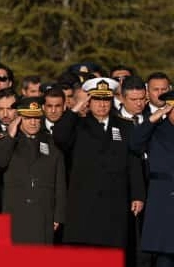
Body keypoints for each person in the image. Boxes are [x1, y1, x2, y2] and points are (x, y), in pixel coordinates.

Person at [52, 77, 146, 249]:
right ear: (89, 101)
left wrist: (138, 195)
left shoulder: (125, 126)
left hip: (114, 203)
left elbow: (133, 162)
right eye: (97, 100)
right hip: (84, 203)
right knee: (84, 255)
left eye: (106, 100)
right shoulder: (77, 125)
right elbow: (58, 136)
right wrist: (76, 108)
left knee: (113, 254)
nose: (102, 105)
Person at [0, 97, 67, 244]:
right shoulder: (7, 142)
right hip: (16, 213)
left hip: (43, 214)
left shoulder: (50, 143)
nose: (33, 122)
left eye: (36, 118)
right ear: (18, 119)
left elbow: (60, 184)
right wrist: (10, 136)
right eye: (27, 118)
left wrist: (58, 215)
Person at [130, 90, 174, 267]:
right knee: (165, 256)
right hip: (163, 196)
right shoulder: (156, 129)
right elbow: (134, 144)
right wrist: (152, 119)